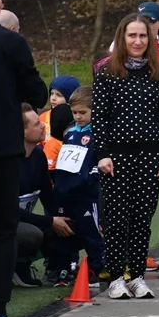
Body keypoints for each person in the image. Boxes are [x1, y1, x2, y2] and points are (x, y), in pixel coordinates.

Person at [93, 13, 159, 300]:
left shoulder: (158, 76)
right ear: (122, 37)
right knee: (117, 219)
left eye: (142, 36)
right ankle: (116, 277)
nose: (138, 41)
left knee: (142, 219)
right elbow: (100, 118)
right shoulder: (107, 74)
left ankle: (137, 276)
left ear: (150, 40)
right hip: (116, 159)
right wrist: (102, 154)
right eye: (132, 35)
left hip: (150, 159)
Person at [0, 0, 48, 317]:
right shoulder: (11, 41)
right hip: (1, 149)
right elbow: (37, 92)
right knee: (4, 230)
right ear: (0, 2)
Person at [0, 105, 75, 289]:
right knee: (32, 234)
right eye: (37, 124)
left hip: (18, 219)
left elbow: (48, 196)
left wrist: (64, 215)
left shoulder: (38, 156)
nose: (44, 126)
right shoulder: (5, 164)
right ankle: (4, 261)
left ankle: (58, 267)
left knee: (72, 224)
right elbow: (8, 210)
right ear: (22, 131)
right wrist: (49, 220)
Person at [51, 86, 106, 286]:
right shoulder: (70, 133)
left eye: (83, 112)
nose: (78, 117)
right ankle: (64, 268)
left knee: (90, 232)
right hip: (66, 193)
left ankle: (96, 268)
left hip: (86, 194)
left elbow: (99, 161)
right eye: (75, 113)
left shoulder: (98, 134)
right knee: (65, 232)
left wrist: (92, 176)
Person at [42, 76, 81, 170]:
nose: (53, 98)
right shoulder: (43, 117)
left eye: (59, 95)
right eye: (51, 94)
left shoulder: (77, 118)